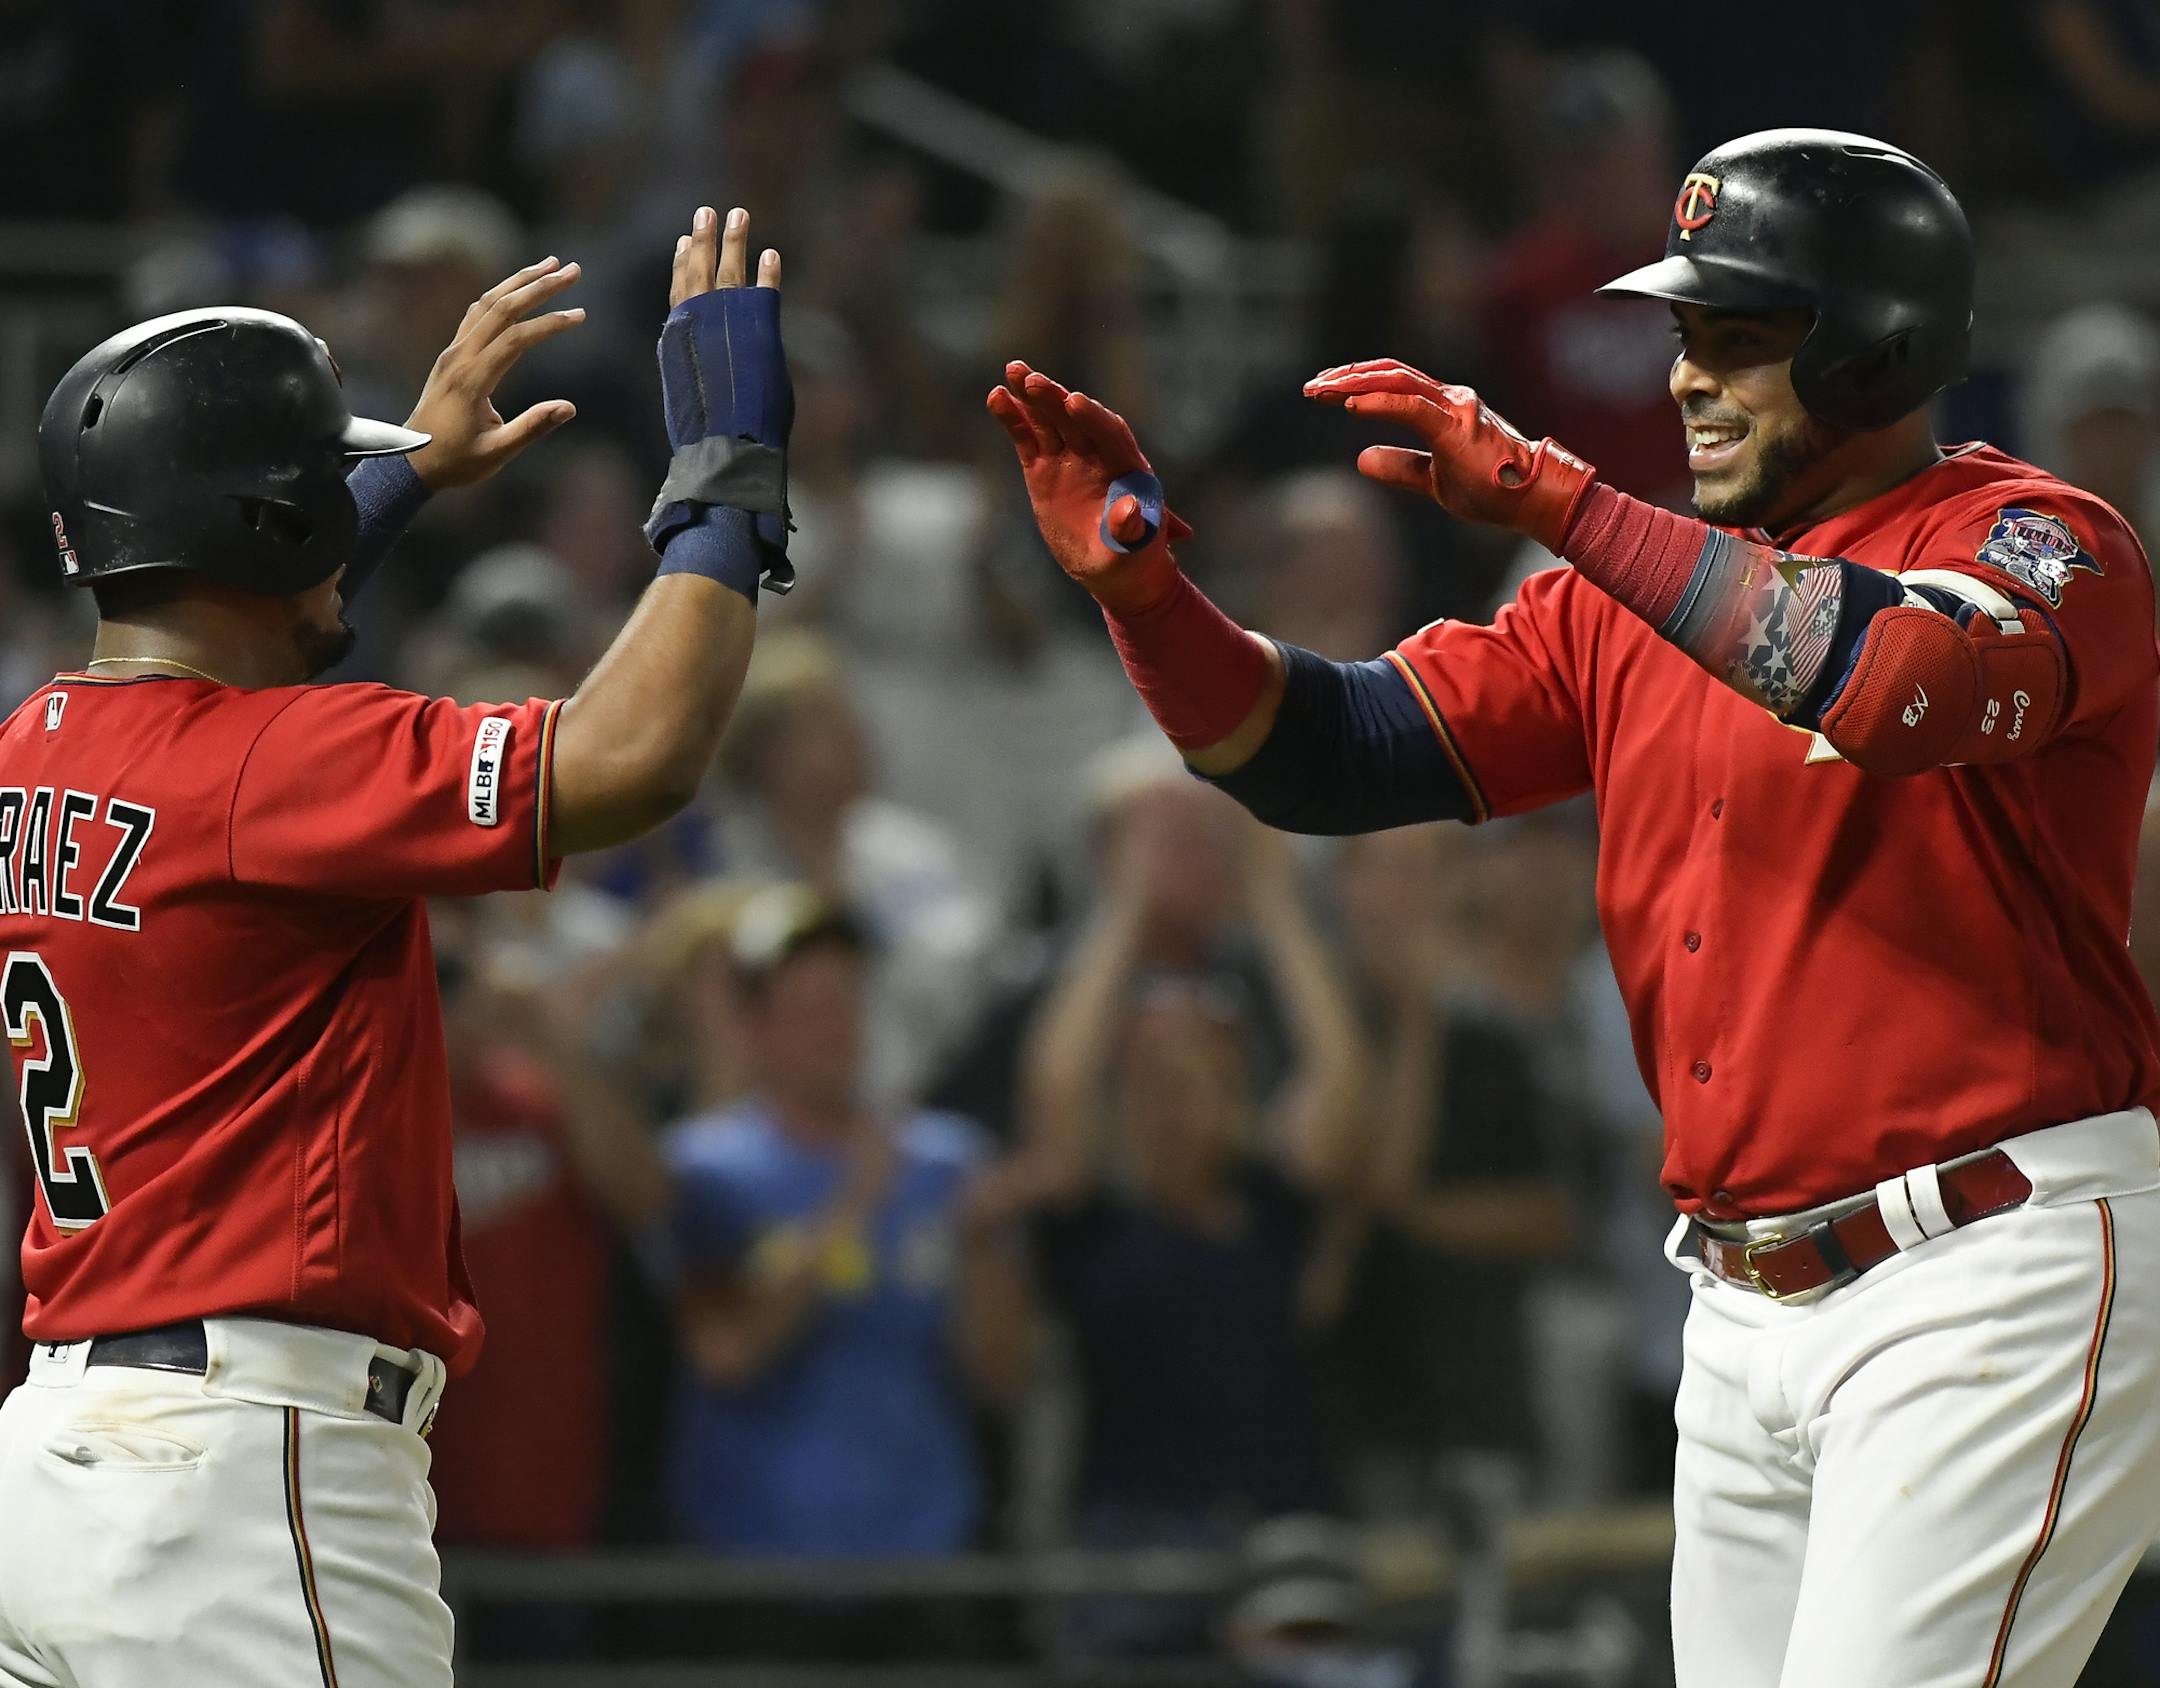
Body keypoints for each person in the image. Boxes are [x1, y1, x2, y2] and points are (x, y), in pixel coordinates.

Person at [988, 128, 2160, 1688]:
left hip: (1989, 1265)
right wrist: (1150, 603)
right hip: (1739, 1312)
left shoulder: (2046, 540)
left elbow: (1895, 677)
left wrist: (1555, 495)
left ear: (1881, 343)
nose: (1687, 378)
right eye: (1686, 336)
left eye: (1738, 338)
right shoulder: (1632, 593)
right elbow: (1323, 754)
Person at [0, 203, 792, 1688]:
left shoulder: (37, 742)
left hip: (56, 1468)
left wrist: (401, 477)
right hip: (241, 1477)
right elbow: (638, 756)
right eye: (318, 491)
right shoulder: (268, 765)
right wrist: (726, 479)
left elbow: (222, 629)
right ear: (268, 524)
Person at [1016, 820, 1364, 1656]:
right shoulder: (1093, 1221)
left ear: (1237, 1094)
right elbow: (1057, 1084)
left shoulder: (1268, 1208)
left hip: (1281, 1528)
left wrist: (1275, 905)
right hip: (1133, 1543)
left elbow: (1341, 1086)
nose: (1175, 1098)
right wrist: (1129, 908)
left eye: (1199, 1076)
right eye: (1152, 1076)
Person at [660, 884, 1031, 1563]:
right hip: (758, 1554)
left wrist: (984, 1253)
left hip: (924, 1548)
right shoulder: (708, 1169)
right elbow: (728, 1355)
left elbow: (998, 1378)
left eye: (846, 1002)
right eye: (806, 1009)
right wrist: (852, 1205)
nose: (835, 1029)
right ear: (755, 1028)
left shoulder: (948, 1162)